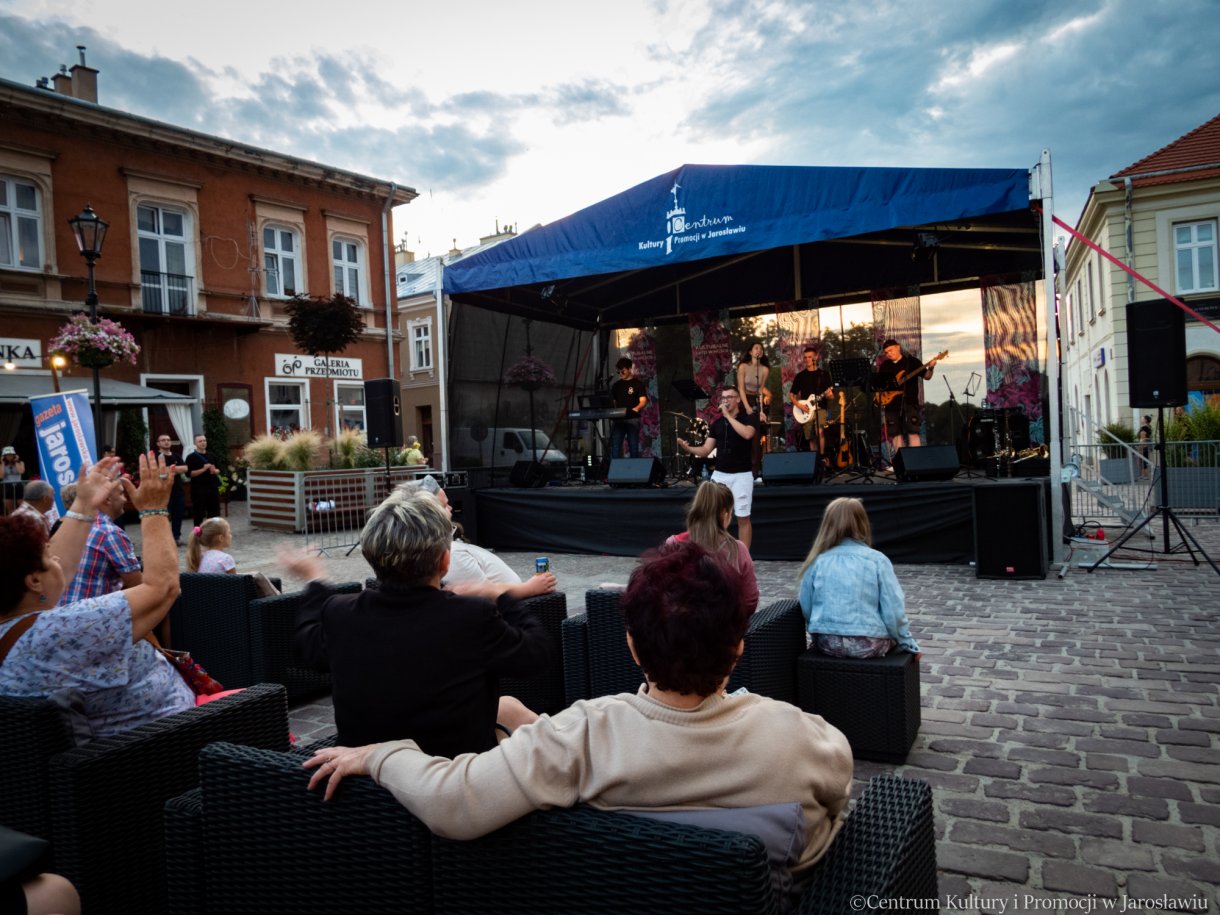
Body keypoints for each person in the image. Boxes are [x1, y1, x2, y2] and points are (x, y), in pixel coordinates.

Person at [304, 541, 854, 889]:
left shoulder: (583, 738)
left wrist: (385, 752)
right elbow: (835, 795)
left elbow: (452, 802)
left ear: (633, 647)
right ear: (739, 648)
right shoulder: (802, 736)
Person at [280, 485, 553, 757]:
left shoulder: (339, 613)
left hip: (366, 776)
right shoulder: (470, 616)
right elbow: (536, 654)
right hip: (448, 775)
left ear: (371, 557)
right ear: (445, 561)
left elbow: (308, 648)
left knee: (508, 706)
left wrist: (315, 578)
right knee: (525, 721)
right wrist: (499, 593)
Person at [0, 453, 195, 738]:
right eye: (47, 557)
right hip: (162, 740)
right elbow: (163, 588)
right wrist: (153, 510)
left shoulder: (17, 625)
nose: (57, 559)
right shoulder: (63, 630)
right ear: (33, 582)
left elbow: (61, 568)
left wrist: (83, 505)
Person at [797, 497, 919, 659]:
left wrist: (817, 634)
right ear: (863, 523)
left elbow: (806, 607)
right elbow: (893, 609)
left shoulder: (817, 561)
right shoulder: (877, 560)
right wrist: (906, 642)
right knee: (893, 638)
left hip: (827, 643)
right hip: (870, 644)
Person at [407, 476, 557, 601]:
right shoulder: (451, 553)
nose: (451, 508)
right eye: (445, 505)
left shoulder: (446, 548)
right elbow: (482, 597)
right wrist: (530, 588)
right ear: (432, 515)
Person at [676, 388, 759, 549]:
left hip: (742, 474)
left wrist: (728, 416)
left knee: (743, 517)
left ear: (738, 400)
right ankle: (712, 552)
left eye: (730, 397)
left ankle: (744, 557)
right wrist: (690, 449)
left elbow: (748, 434)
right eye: (723, 397)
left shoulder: (748, 418)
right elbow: (706, 450)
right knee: (712, 515)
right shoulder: (717, 424)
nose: (726, 400)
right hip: (720, 474)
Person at [666, 480, 758, 613]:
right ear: (725, 516)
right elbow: (750, 601)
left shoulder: (673, 544)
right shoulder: (738, 550)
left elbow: (662, 593)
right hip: (725, 628)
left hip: (681, 628)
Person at [59, 470, 143, 605]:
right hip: (90, 618)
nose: (125, 499)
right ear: (107, 499)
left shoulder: (71, 526)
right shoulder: (110, 533)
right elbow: (138, 586)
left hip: (63, 612)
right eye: (121, 493)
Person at [874, 339, 941, 451]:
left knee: (913, 432)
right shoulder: (885, 365)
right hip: (891, 405)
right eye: (886, 352)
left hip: (910, 403)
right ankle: (901, 462)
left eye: (891, 350)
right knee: (895, 434)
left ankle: (916, 462)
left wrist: (932, 367)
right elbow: (879, 385)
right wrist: (879, 395)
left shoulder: (912, 362)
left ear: (898, 347)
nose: (889, 354)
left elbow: (927, 377)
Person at [789, 347, 835, 455]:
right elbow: (791, 395)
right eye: (805, 357)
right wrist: (799, 405)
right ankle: (815, 460)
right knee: (811, 437)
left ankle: (822, 456)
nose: (807, 360)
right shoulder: (800, 376)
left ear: (816, 357)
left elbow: (831, 396)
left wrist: (829, 395)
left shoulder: (824, 374)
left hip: (820, 409)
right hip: (806, 410)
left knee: (820, 432)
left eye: (810, 357)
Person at [736, 340, 771, 475]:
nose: (759, 350)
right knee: (742, 435)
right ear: (750, 352)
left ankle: (754, 470)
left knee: (756, 437)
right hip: (743, 401)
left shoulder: (764, 369)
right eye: (756, 348)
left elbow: (761, 391)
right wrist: (746, 406)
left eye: (761, 349)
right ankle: (741, 467)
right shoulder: (743, 367)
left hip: (756, 401)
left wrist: (761, 411)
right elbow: (740, 388)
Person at [609, 357, 647, 459]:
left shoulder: (638, 384)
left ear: (630, 369)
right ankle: (616, 471)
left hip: (632, 419)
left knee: (633, 446)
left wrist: (636, 408)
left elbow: (643, 401)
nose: (620, 374)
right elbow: (613, 402)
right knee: (616, 446)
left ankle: (634, 472)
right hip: (619, 420)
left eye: (622, 371)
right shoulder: (616, 385)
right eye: (618, 372)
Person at [155, 433, 189, 543]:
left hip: (177, 490)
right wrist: (174, 469)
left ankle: (176, 537)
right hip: (163, 492)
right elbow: (159, 471)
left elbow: (185, 468)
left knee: (178, 515)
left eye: (168, 439)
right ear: (158, 443)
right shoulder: (156, 457)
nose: (166, 441)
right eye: (163, 440)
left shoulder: (176, 456)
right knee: (164, 516)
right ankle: (164, 539)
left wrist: (169, 469)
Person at [185, 433, 222, 526]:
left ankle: (212, 533)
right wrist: (203, 469)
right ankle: (197, 536)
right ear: (195, 443)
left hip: (212, 488)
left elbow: (219, 470)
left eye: (204, 440)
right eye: (200, 441)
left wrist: (215, 471)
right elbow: (189, 474)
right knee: (198, 514)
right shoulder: (191, 457)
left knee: (214, 513)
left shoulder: (212, 455)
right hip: (199, 490)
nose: (203, 443)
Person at [2, 445, 25, 513]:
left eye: (11, 455)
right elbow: (1, 476)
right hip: (7, 486)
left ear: (14, 455)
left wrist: (16, 461)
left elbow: (21, 471)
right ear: (4, 456)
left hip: (18, 485)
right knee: (10, 509)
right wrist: (2, 463)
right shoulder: (2, 464)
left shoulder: (20, 462)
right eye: (7, 455)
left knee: (23, 508)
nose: (9, 457)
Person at [1137, 414, 1153, 479]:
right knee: (1142, 460)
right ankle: (1143, 474)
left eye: (1142, 418)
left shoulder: (1146, 428)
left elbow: (1145, 436)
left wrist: (1144, 440)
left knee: (1144, 460)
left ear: (1146, 420)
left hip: (1144, 445)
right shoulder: (1145, 427)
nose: (1141, 419)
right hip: (1142, 444)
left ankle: (1146, 475)